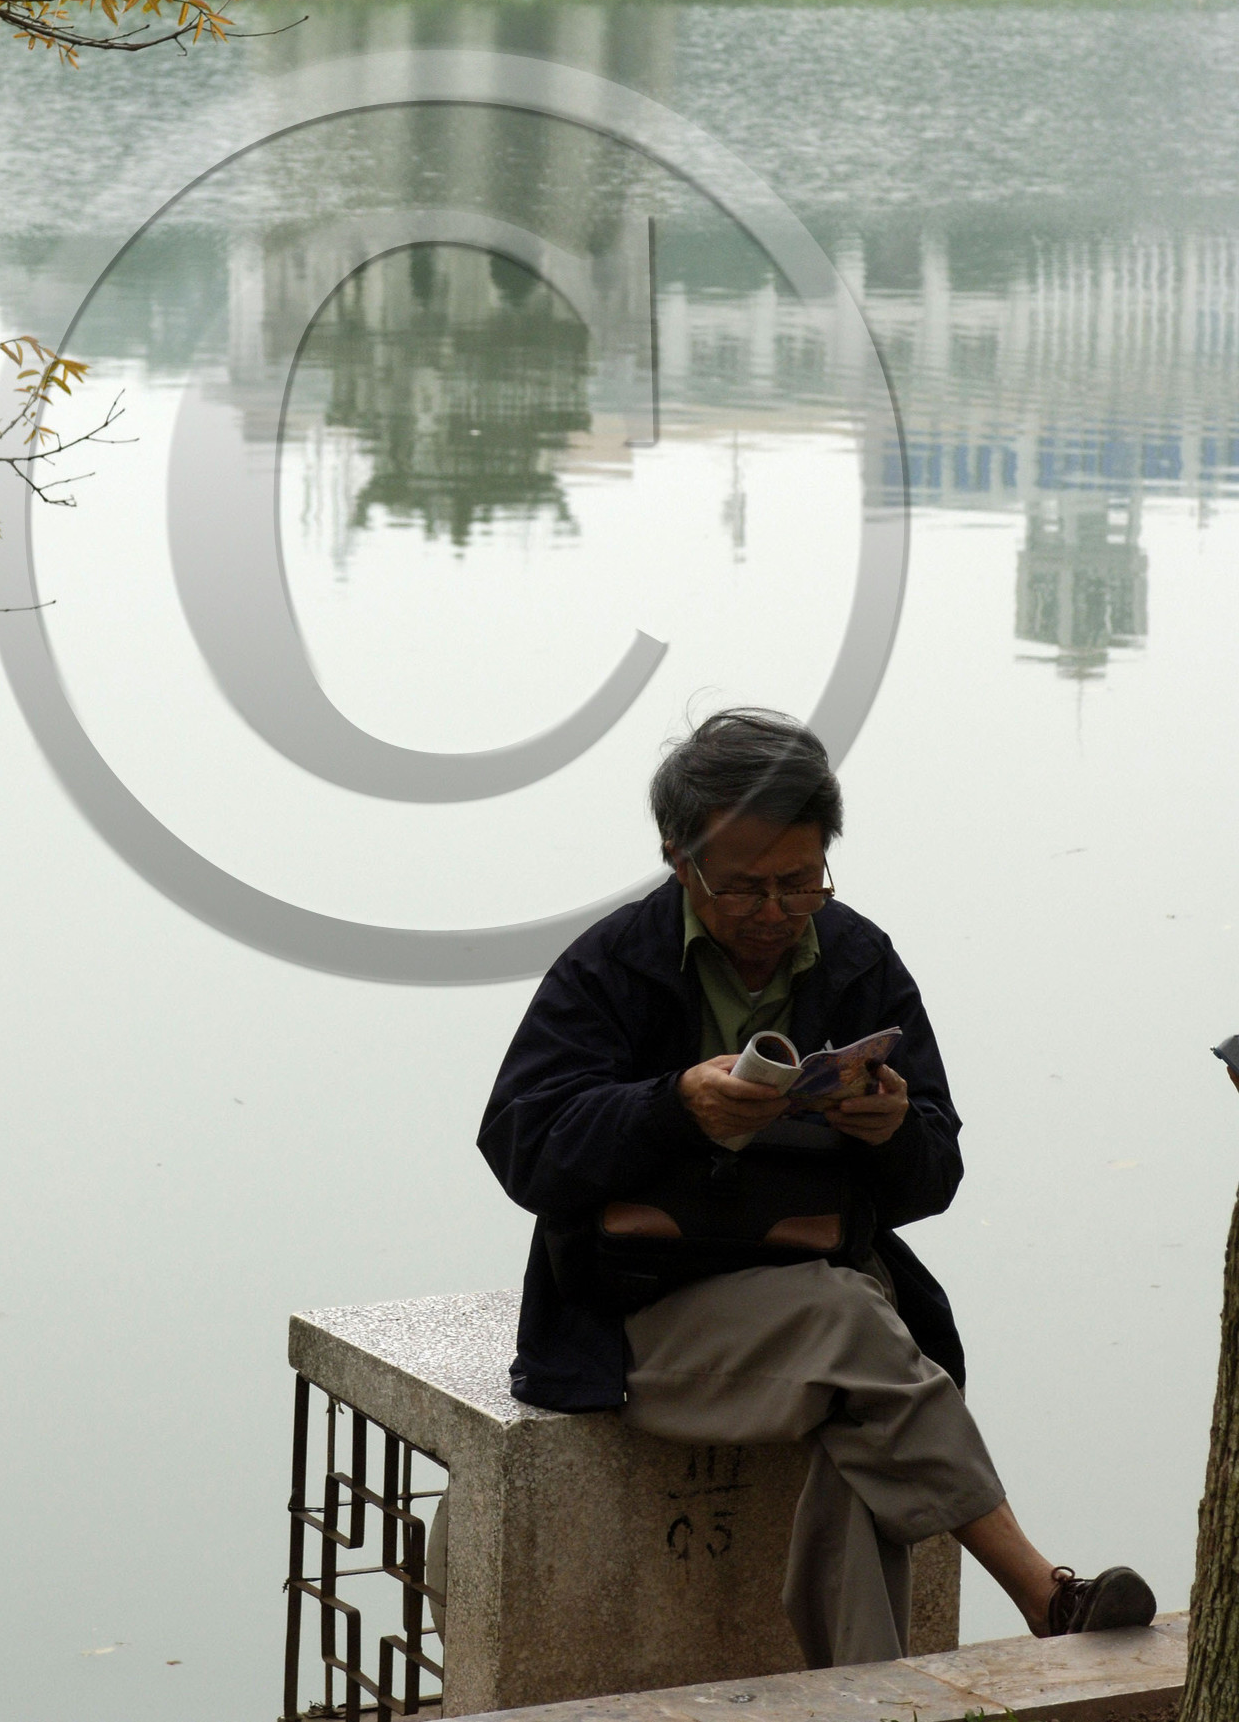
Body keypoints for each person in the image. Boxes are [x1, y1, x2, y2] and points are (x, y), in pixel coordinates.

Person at [477, 706, 1157, 1669]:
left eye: (801, 881)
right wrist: (676, 1108)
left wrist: (888, 1130)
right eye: (745, 886)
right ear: (680, 860)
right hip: (650, 1314)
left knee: (855, 1423)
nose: (774, 909)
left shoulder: (856, 958)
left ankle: (870, 1696)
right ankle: (1042, 1589)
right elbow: (521, 1142)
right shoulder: (609, 968)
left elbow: (936, 1168)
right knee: (848, 1318)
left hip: (819, 1290)